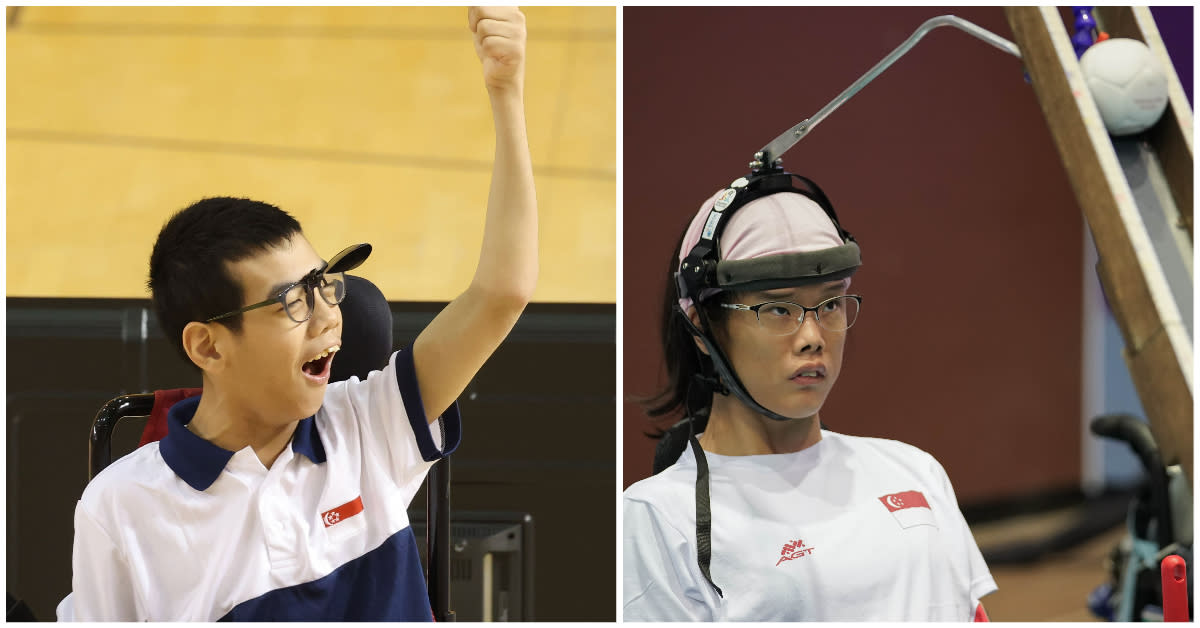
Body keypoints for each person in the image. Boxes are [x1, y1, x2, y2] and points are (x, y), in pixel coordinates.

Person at [59, 6, 535, 621]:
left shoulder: (370, 426)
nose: (327, 319)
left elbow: (503, 292)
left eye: (324, 286)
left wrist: (506, 91)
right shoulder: (121, 508)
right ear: (208, 346)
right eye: (291, 302)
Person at [622, 174, 996, 621]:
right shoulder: (660, 518)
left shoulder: (916, 472)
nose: (812, 337)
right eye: (779, 308)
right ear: (702, 325)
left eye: (831, 304)